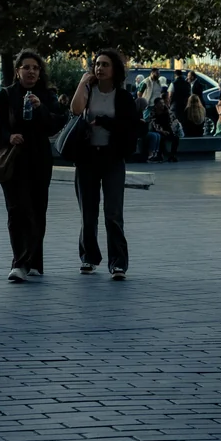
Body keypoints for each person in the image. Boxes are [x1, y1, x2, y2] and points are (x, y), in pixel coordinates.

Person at [0, 50, 64, 283]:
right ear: (17, 71)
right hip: (13, 160)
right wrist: (8, 137)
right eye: (26, 67)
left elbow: (55, 124)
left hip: (39, 159)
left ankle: (34, 261)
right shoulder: (5, 96)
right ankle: (19, 263)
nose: (31, 71)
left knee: (37, 210)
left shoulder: (47, 95)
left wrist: (41, 107)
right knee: (17, 210)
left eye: (35, 68)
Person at [69, 48, 138, 280]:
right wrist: (82, 83)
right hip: (87, 157)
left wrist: (104, 122)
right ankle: (89, 257)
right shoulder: (89, 91)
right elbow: (75, 110)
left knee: (113, 213)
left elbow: (130, 128)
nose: (100, 68)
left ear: (115, 69)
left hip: (112, 158)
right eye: (97, 64)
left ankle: (118, 263)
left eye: (105, 64)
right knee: (88, 213)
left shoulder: (123, 97)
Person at [145, 96, 175, 162]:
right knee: (161, 138)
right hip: (157, 130)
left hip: (167, 129)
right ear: (156, 105)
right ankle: (160, 155)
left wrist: (169, 130)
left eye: (163, 103)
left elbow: (171, 121)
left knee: (176, 138)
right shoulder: (153, 113)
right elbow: (154, 124)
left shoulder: (167, 111)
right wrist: (162, 131)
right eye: (160, 103)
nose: (162, 104)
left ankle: (172, 155)